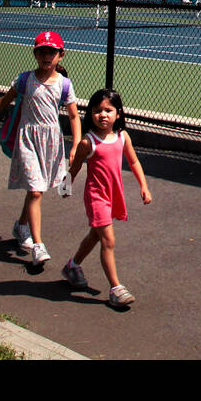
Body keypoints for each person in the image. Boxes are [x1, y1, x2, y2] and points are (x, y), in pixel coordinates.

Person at [0, 32, 81, 267]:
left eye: (51, 51)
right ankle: (38, 245)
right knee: (36, 191)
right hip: (27, 139)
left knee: (35, 191)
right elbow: (3, 102)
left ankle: (21, 226)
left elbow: (74, 115)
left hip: (51, 142)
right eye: (42, 51)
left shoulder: (65, 85)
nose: (46, 56)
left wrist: (76, 144)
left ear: (61, 55)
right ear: (35, 54)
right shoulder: (24, 80)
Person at [61, 89, 151, 307]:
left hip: (113, 194)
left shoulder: (122, 137)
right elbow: (75, 167)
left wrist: (144, 186)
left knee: (95, 235)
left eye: (108, 110)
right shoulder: (88, 142)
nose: (102, 115)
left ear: (118, 114)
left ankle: (72, 266)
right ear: (90, 114)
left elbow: (134, 161)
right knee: (108, 240)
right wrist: (65, 186)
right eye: (97, 111)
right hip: (96, 196)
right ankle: (116, 289)